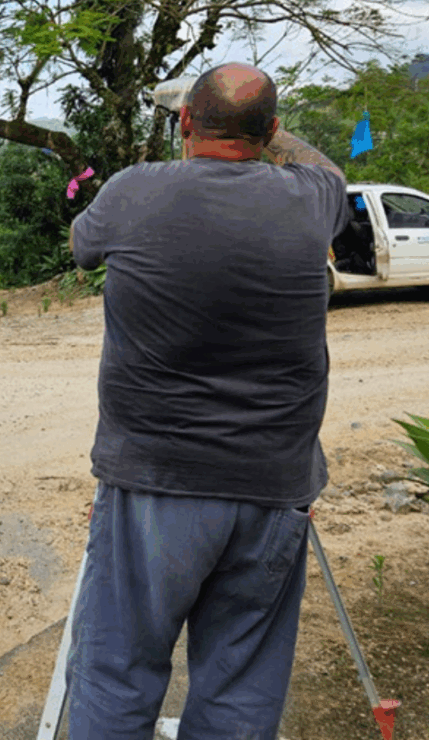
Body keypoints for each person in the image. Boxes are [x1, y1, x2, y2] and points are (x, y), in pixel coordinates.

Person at [65, 62, 351, 740]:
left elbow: (82, 248)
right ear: (273, 131)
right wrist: (272, 136)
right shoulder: (310, 198)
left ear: (185, 121)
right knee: (240, 685)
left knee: (118, 670)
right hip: (271, 489)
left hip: (153, 484)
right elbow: (333, 172)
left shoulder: (134, 191)